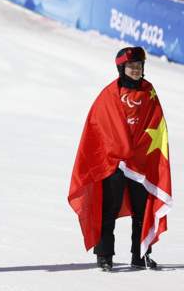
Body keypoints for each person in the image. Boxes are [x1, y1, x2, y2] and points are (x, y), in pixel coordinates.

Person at [68, 47, 172, 272]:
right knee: (109, 210)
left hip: (140, 164)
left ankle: (140, 255)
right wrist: (120, 150)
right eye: (131, 67)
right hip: (113, 163)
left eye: (139, 66)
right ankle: (104, 256)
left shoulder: (149, 92)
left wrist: (138, 154)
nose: (136, 70)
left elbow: (155, 126)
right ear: (121, 68)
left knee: (142, 210)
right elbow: (99, 128)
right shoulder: (109, 95)